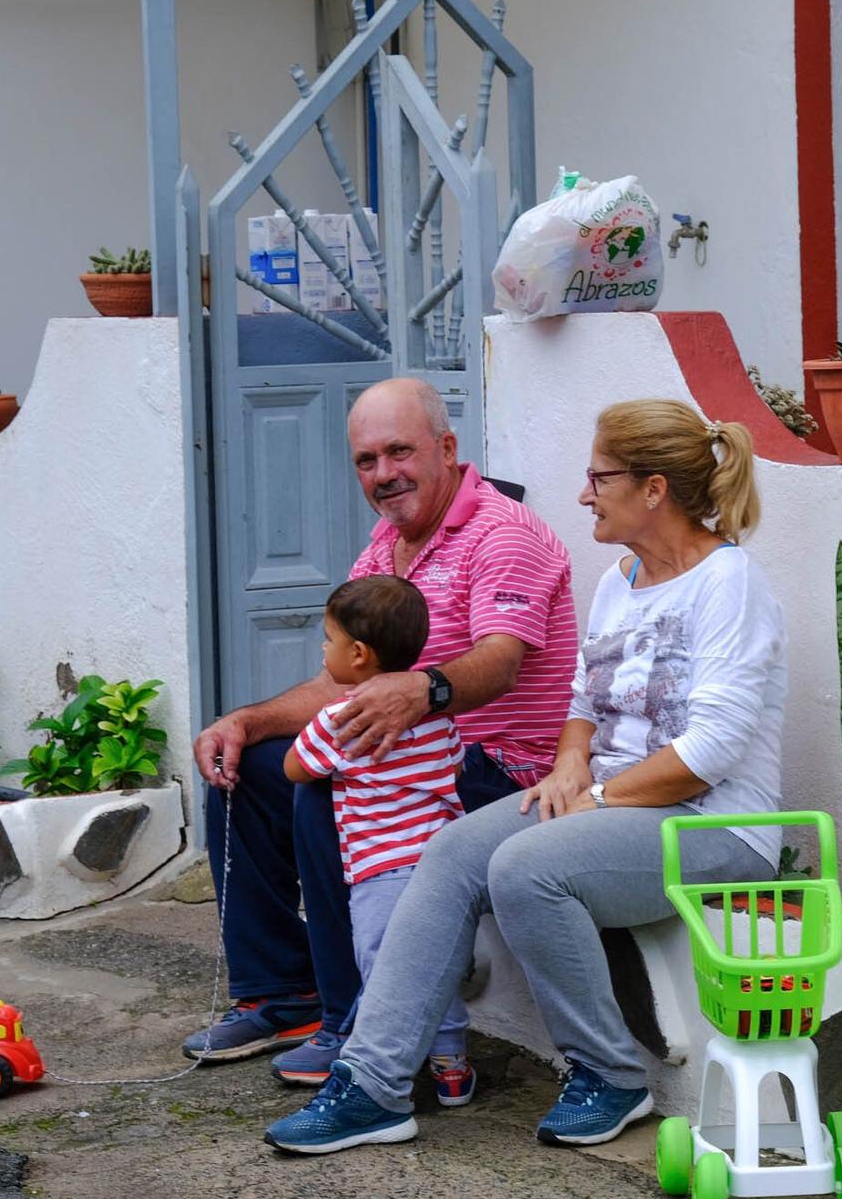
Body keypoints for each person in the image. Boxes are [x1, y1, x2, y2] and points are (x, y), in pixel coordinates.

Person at [263, 399, 788, 1155]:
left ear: (653, 490)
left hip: (715, 825)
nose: (583, 494)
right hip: (615, 805)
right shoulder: (623, 578)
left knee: (525, 868)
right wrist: (573, 763)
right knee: (450, 851)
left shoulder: (729, 585)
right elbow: (585, 700)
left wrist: (595, 796)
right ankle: (373, 1085)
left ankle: (610, 1074)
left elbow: (711, 754)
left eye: (598, 477)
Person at [185, 378, 576, 1087]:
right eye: (367, 460)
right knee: (243, 772)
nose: (384, 474)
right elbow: (342, 682)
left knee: (325, 788)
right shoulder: (383, 550)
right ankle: (283, 992)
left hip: (504, 772)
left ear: (447, 448)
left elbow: (502, 661)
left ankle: (353, 1019)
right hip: (416, 764)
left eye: (400, 452)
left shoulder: (503, 534)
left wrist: (422, 688)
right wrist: (244, 721)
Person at [283, 575, 476, 1107]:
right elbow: (456, 760)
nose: (323, 650)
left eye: (328, 640)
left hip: (379, 869)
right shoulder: (435, 715)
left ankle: (379, 1065)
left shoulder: (340, 719)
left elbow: (295, 768)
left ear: (360, 654)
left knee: (385, 968)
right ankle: (451, 1067)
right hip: (439, 861)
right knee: (435, 964)